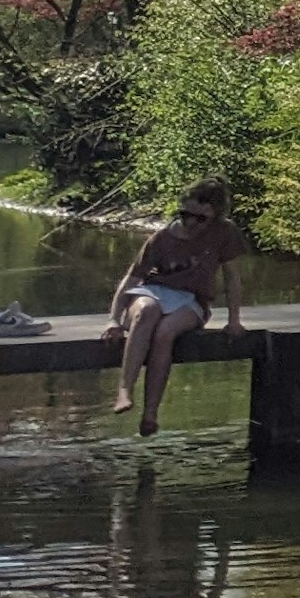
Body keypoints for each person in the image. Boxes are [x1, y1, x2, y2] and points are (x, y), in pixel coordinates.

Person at [99, 182, 252, 437]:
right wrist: (113, 319)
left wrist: (234, 320)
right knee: (146, 312)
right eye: (185, 215)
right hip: (153, 292)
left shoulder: (224, 233)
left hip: (191, 299)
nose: (191, 223)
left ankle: (150, 413)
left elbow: (231, 278)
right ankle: (124, 390)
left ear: (215, 216)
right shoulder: (162, 238)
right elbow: (132, 279)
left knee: (165, 332)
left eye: (200, 219)